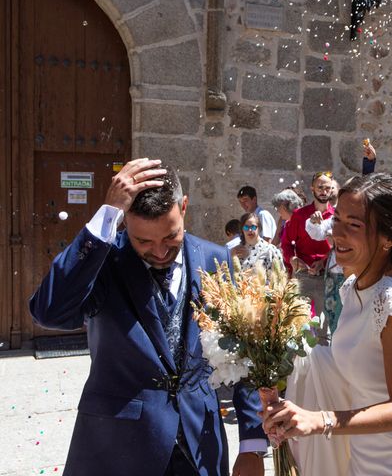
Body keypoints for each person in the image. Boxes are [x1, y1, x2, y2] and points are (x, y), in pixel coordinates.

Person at [29, 159, 267, 476]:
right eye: (144, 241)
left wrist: (252, 442)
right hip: (118, 449)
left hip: (201, 445)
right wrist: (106, 215)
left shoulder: (217, 259)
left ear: (184, 208)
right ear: (125, 221)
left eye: (170, 237)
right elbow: (49, 311)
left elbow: (244, 350)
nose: (158, 252)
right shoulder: (105, 260)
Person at [263, 172, 392, 475]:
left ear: (388, 238)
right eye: (337, 220)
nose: (338, 234)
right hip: (361, 458)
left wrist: (320, 420)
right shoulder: (353, 288)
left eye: (355, 225)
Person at [281, 171, 335, 321]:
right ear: (312, 188)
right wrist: (292, 258)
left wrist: (323, 262)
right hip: (303, 275)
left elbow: (339, 248)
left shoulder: (337, 216)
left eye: (327, 188)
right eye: (320, 187)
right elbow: (286, 243)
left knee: (326, 328)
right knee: (299, 324)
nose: (324, 192)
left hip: (328, 276)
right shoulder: (299, 215)